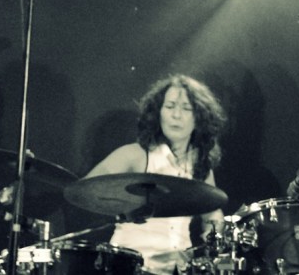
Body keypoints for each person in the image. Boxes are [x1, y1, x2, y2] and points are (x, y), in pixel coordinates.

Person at [84, 74, 227, 275]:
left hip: (178, 268)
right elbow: (87, 190)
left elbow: (212, 213)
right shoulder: (135, 154)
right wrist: (125, 207)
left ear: (199, 118)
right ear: (158, 113)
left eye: (186, 108)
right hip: (131, 266)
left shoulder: (200, 167)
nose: (176, 115)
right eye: (169, 106)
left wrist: (214, 230)